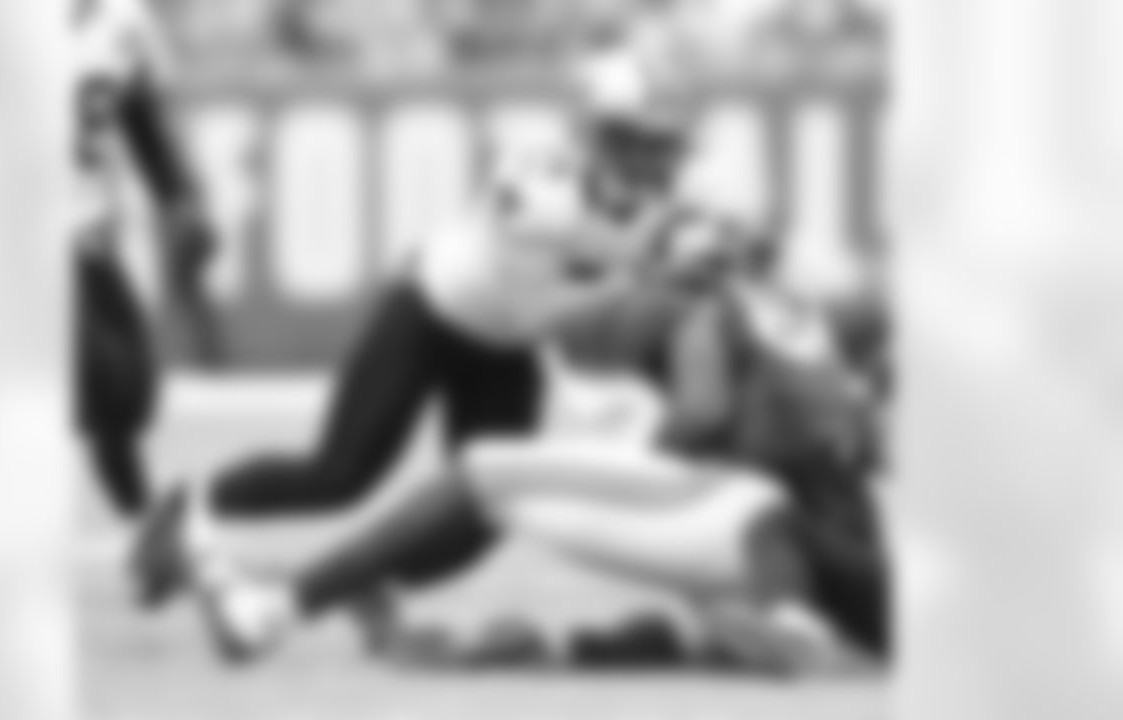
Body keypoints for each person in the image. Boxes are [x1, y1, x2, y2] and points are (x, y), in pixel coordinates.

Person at [130, 37, 701, 639]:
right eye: (644, 142)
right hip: (429, 312)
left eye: (666, 143)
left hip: (503, 349)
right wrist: (655, 267)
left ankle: (365, 580)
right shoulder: (539, 177)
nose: (659, 160)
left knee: (490, 508)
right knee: (339, 473)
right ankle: (187, 508)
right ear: (601, 133)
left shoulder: (651, 211)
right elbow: (549, 274)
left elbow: (623, 283)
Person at [168, 215, 892, 671]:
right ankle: (763, 623)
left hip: (760, 524)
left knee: (485, 469)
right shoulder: (812, 331)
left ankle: (267, 612)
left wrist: (648, 450)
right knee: (678, 574)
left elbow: (700, 413)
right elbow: (857, 451)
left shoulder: (710, 310)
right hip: (829, 563)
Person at [74, 0, 219, 519]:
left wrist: (179, 198)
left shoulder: (123, 22)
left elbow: (140, 117)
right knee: (106, 379)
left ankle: (142, 524)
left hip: (86, 229)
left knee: (129, 390)